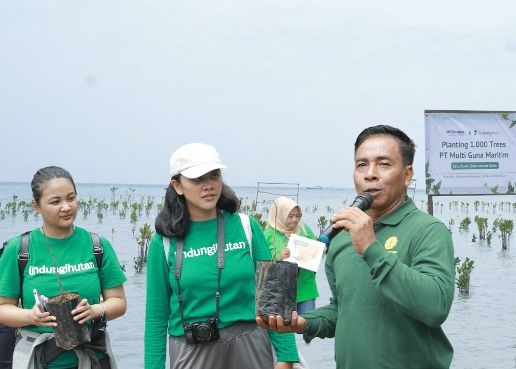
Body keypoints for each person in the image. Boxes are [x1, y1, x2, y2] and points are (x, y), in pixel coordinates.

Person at [262, 125, 456, 368]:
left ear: (407, 175)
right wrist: (305, 322)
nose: (370, 174)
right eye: (361, 165)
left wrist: (371, 248)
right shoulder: (342, 237)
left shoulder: (428, 230)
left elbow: (435, 307)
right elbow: (343, 309)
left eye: (384, 164)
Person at [144, 143, 297, 369]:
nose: (208, 186)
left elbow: (273, 298)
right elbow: (156, 316)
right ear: (177, 185)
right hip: (191, 350)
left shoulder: (247, 227)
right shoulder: (164, 242)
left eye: (214, 175)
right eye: (197, 179)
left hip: (251, 344)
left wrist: (286, 356)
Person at [0, 166, 128, 368]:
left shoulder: (97, 245)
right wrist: (31, 316)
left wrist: (95, 310)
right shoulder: (19, 249)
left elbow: (119, 303)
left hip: (93, 358)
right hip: (39, 360)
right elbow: (3, 308)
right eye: (55, 201)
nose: (67, 207)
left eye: (71, 198)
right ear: (36, 205)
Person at [263, 197, 320, 314]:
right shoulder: (268, 234)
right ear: (280, 215)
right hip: (280, 291)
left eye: (298, 216)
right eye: (290, 216)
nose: (295, 220)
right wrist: (279, 257)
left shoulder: (304, 229)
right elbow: (262, 262)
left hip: (305, 289)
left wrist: (320, 251)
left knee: (309, 326)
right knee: (281, 328)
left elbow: (317, 256)